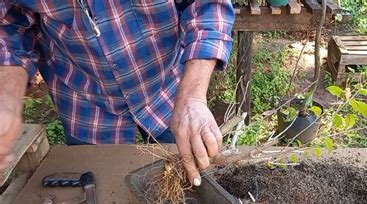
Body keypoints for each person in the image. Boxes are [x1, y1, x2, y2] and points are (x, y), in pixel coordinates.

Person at [0, 1, 235, 186]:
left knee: (191, 181)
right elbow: (8, 26)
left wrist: (192, 97)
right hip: (85, 103)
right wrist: (7, 100)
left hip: (169, 93)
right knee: (98, 196)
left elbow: (208, 6)